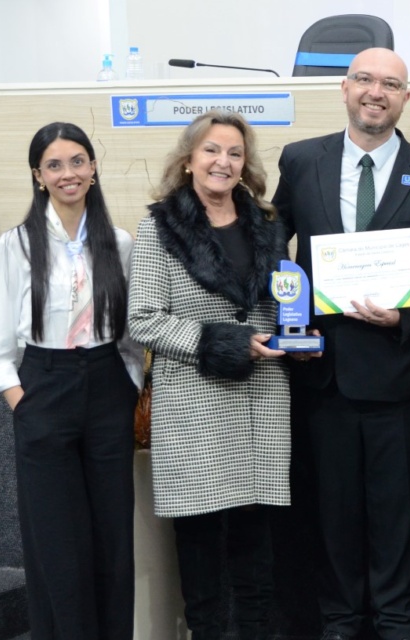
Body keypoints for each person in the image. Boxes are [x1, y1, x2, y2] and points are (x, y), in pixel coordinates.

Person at [272, 47, 410, 640]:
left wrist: (406, 316)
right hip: (321, 373)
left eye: (390, 84)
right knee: (331, 513)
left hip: (395, 376)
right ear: (344, 88)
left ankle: (398, 622)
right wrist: (289, 305)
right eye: (364, 80)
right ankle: (339, 622)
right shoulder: (302, 160)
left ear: (406, 98)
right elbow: (277, 242)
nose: (375, 92)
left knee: (395, 516)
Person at [127, 109, 292, 640]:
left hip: (262, 403)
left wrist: (297, 340)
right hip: (195, 407)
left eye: (235, 153)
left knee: (257, 553)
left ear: (246, 164)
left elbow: (279, 308)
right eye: (212, 151)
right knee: (200, 557)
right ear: (189, 159)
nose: (224, 161)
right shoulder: (159, 227)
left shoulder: (267, 223)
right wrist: (221, 342)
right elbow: (143, 319)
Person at [0, 122, 142, 640]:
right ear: (38, 176)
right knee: (56, 539)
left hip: (106, 384)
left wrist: (130, 384)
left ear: (93, 169)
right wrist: (20, 401)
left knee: (113, 536)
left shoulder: (118, 241)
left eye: (77, 161)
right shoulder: (17, 244)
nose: (67, 173)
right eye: (54, 164)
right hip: (43, 385)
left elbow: (130, 332)